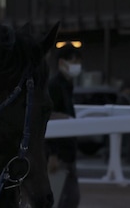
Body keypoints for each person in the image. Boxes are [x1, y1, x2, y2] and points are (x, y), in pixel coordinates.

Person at [46, 44, 82, 208]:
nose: (77, 65)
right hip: (58, 152)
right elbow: (48, 118)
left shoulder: (67, 85)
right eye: (73, 61)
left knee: (71, 197)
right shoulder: (54, 85)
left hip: (68, 150)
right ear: (62, 62)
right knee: (60, 197)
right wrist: (53, 154)